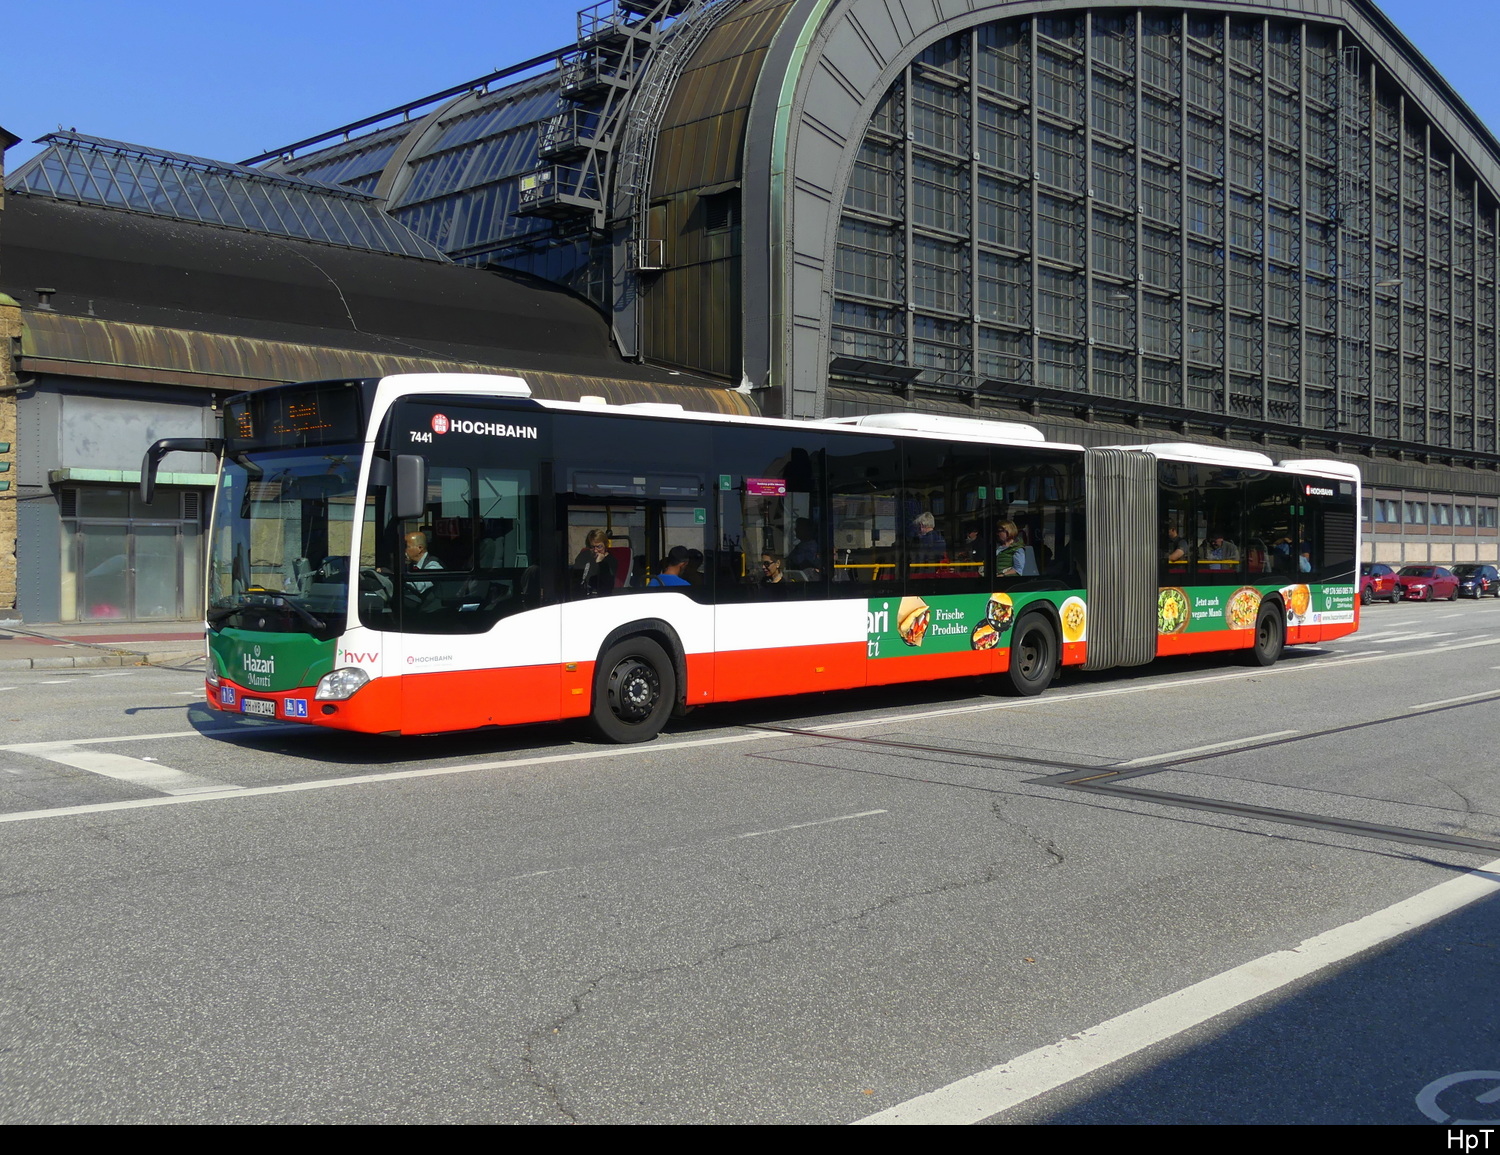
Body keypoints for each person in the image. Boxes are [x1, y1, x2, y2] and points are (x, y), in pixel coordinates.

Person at [402, 530, 443, 612]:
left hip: (432, 612)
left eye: (407, 547)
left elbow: (419, 586)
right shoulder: (412, 564)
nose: (404, 551)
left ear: (420, 548)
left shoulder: (433, 565)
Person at [573, 529, 616, 596]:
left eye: (599, 547)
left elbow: (607, 586)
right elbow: (575, 577)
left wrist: (600, 563)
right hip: (581, 593)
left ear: (605, 545)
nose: (596, 550)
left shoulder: (610, 560)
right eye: (592, 547)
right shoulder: (584, 555)